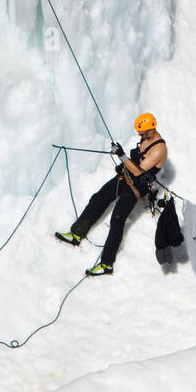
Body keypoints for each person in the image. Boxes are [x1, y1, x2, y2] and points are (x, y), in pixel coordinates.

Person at [55, 113, 167, 276]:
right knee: (98, 198)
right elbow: (132, 166)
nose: (139, 136)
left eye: (142, 133)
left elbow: (138, 171)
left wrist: (122, 156)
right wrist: (123, 167)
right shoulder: (146, 138)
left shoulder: (159, 149)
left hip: (137, 186)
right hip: (126, 177)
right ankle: (76, 233)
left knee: (117, 219)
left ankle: (107, 264)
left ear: (151, 129)